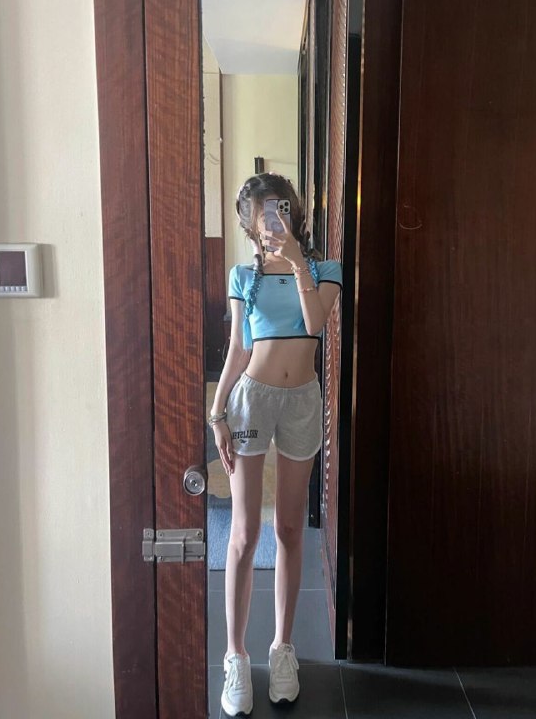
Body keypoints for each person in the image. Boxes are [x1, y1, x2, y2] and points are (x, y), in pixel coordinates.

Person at [208, 172, 342, 716]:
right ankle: (235, 655)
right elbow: (238, 349)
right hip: (252, 399)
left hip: (303, 401)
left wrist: (296, 262)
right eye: (259, 213)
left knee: (289, 529)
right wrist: (217, 411)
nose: (269, 221)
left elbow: (314, 324)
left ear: (293, 212)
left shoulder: (325, 270)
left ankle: (282, 648)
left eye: (278, 209)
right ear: (248, 223)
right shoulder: (244, 275)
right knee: (243, 532)